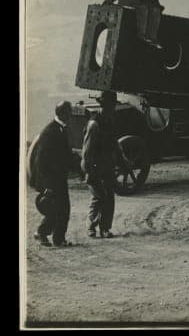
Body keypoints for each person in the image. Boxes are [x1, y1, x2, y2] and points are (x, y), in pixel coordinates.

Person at [81, 90, 130, 239]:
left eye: (113, 106)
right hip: (95, 167)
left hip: (107, 165)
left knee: (109, 197)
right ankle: (91, 227)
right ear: (105, 106)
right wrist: (88, 171)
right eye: (111, 105)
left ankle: (105, 228)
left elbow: (114, 143)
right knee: (99, 197)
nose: (112, 108)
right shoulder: (94, 124)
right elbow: (87, 151)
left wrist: (122, 160)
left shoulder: (110, 121)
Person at [31, 101, 79, 247]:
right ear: (63, 114)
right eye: (69, 113)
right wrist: (48, 186)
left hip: (58, 178)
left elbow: (64, 155)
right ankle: (45, 234)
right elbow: (41, 161)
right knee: (58, 209)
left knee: (62, 208)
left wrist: (79, 166)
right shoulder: (50, 132)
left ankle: (56, 238)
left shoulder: (60, 129)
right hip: (51, 180)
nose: (71, 116)